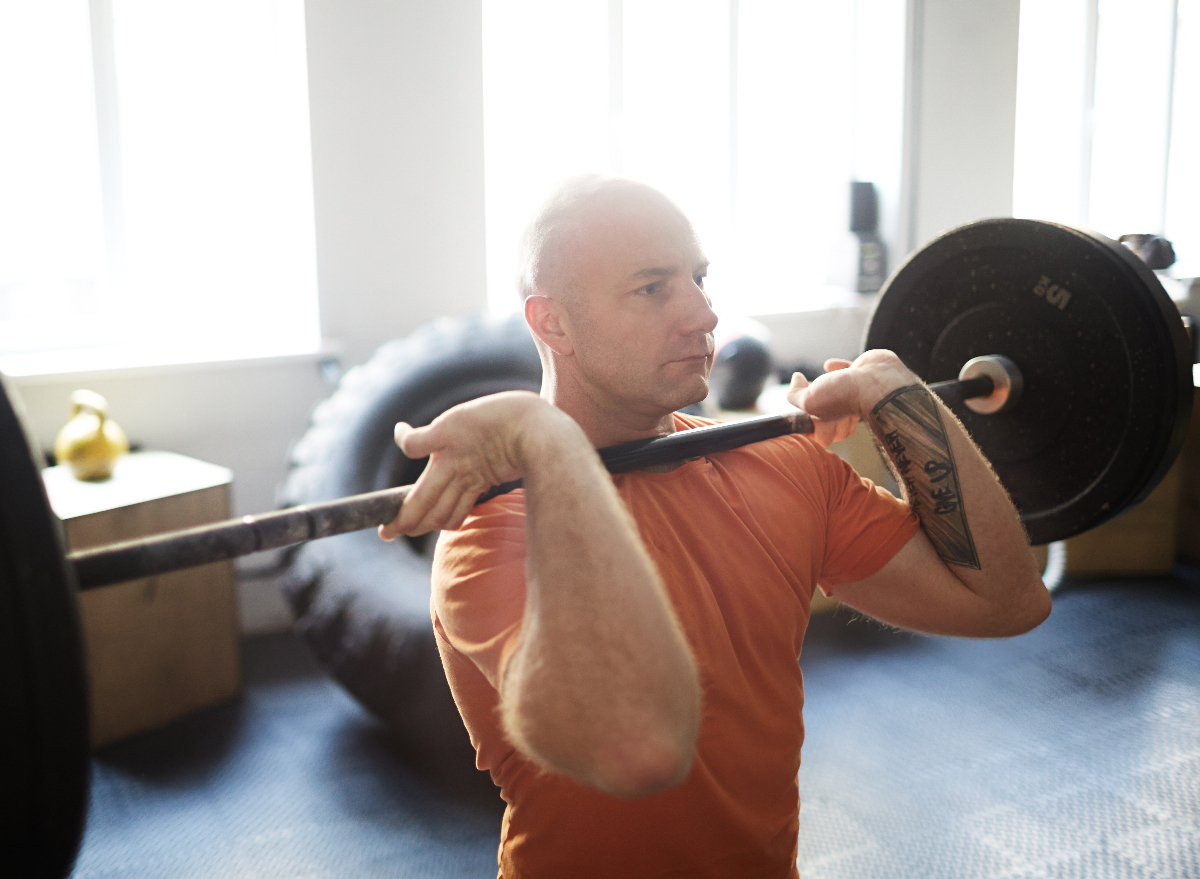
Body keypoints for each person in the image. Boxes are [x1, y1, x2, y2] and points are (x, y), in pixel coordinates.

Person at [378, 175, 1051, 878]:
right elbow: (638, 749)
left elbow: (1008, 600)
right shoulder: (493, 530)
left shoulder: (783, 462)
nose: (703, 314)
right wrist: (546, 441)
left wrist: (900, 396)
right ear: (553, 322)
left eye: (699, 278)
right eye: (653, 288)